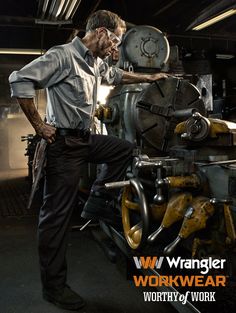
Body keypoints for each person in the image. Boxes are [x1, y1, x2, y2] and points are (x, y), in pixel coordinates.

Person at [9, 10, 168, 311]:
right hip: (63, 145)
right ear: (102, 33)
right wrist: (39, 126)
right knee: (55, 218)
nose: (116, 49)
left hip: (84, 139)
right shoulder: (63, 56)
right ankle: (54, 288)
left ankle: (98, 200)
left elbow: (117, 75)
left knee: (122, 149)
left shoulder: (95, 62)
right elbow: (20, 79)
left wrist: (150, 77)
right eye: (116, 41)